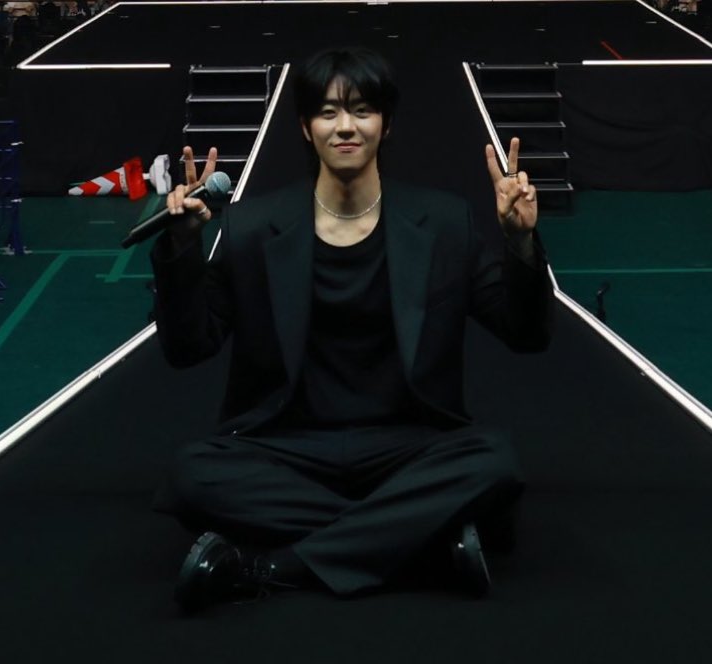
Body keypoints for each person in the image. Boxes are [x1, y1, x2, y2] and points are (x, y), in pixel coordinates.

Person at [150, 47, 553, 614]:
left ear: (385, 124)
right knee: (193, 474)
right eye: (328, 112)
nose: (345, 126)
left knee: (494, 461)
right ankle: (424, 539)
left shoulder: (443, 222)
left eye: (362, 110)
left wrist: (520, 243)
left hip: (407, 445)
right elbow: (189, 347)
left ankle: (270, 567)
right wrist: (182, 248)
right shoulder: (252, 227)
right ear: (305, 127)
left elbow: (526, 333)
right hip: (288, 446)